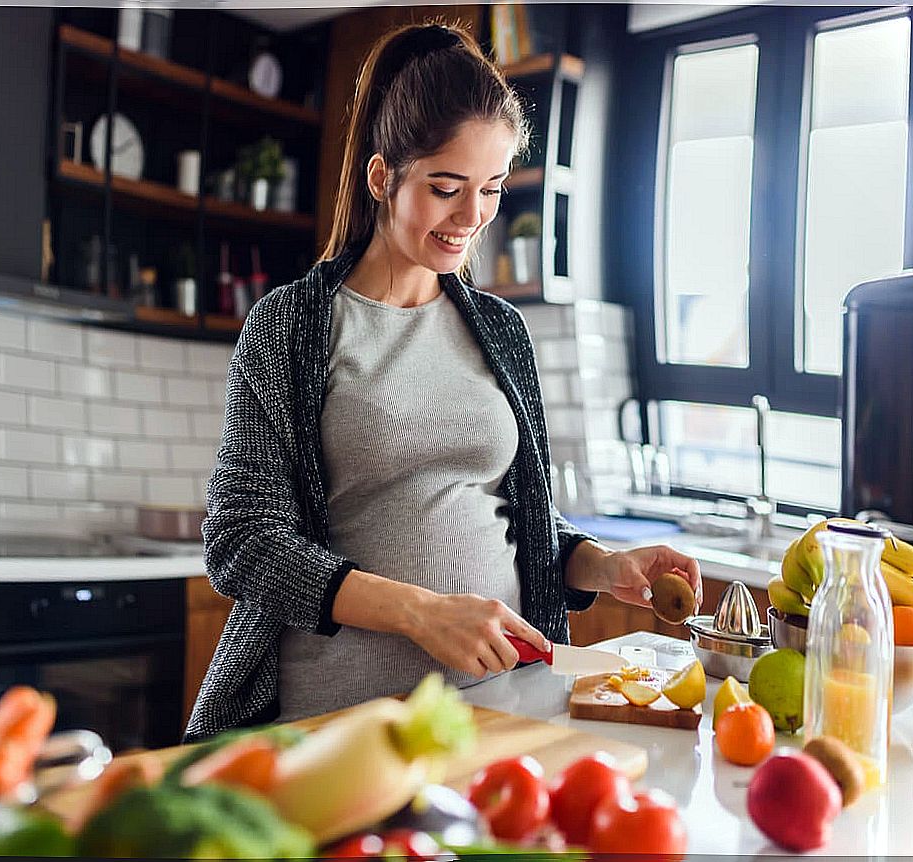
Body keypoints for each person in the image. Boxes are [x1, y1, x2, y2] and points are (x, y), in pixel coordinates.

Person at [184, 21, 702, 741]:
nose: (471, 217)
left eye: (490, 188)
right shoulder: (292, 327)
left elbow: (515, 520)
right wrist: (422, 613)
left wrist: (600, 565)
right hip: (338, 725)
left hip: (497, 710)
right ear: (380, 178)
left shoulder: (499, 331)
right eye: (447, 187)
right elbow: (243, 542)